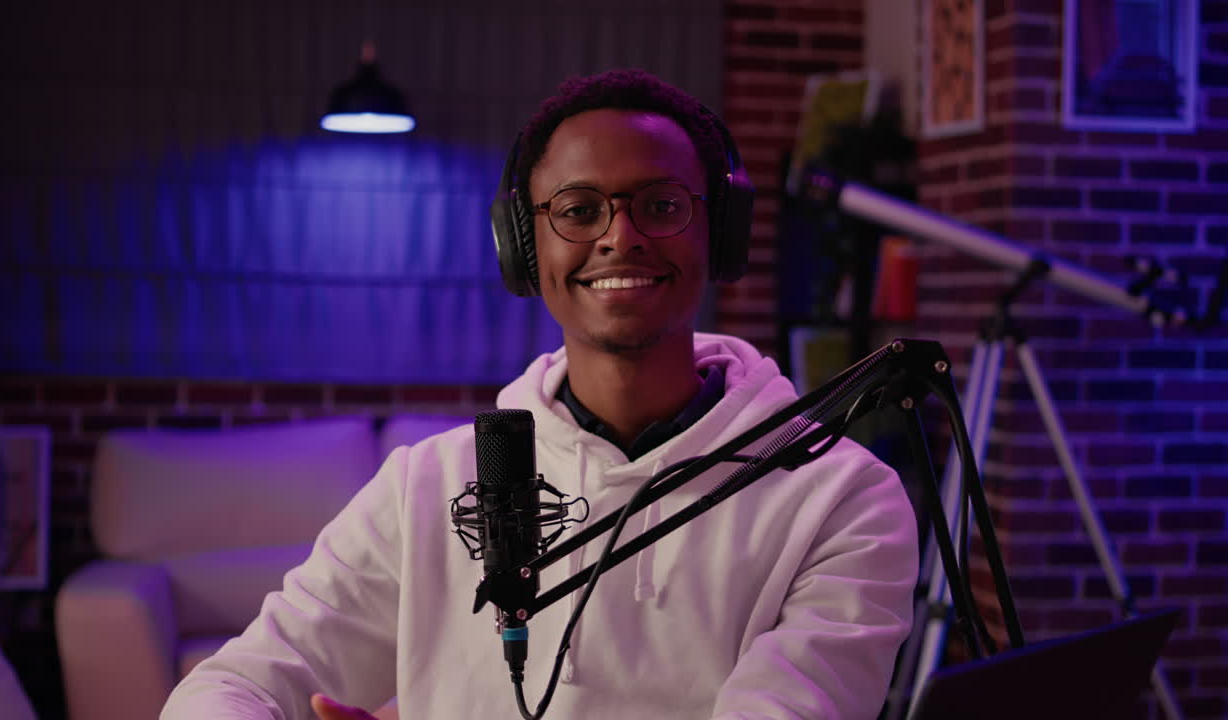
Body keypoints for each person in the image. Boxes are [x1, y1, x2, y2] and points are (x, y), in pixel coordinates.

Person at [162, 69, 917, 720]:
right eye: (579, 210)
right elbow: (235, 683)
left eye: (661, 205)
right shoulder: (427, 487)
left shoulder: (843, 500)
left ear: (719, 234)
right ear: (524, 248)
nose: (620, 237)